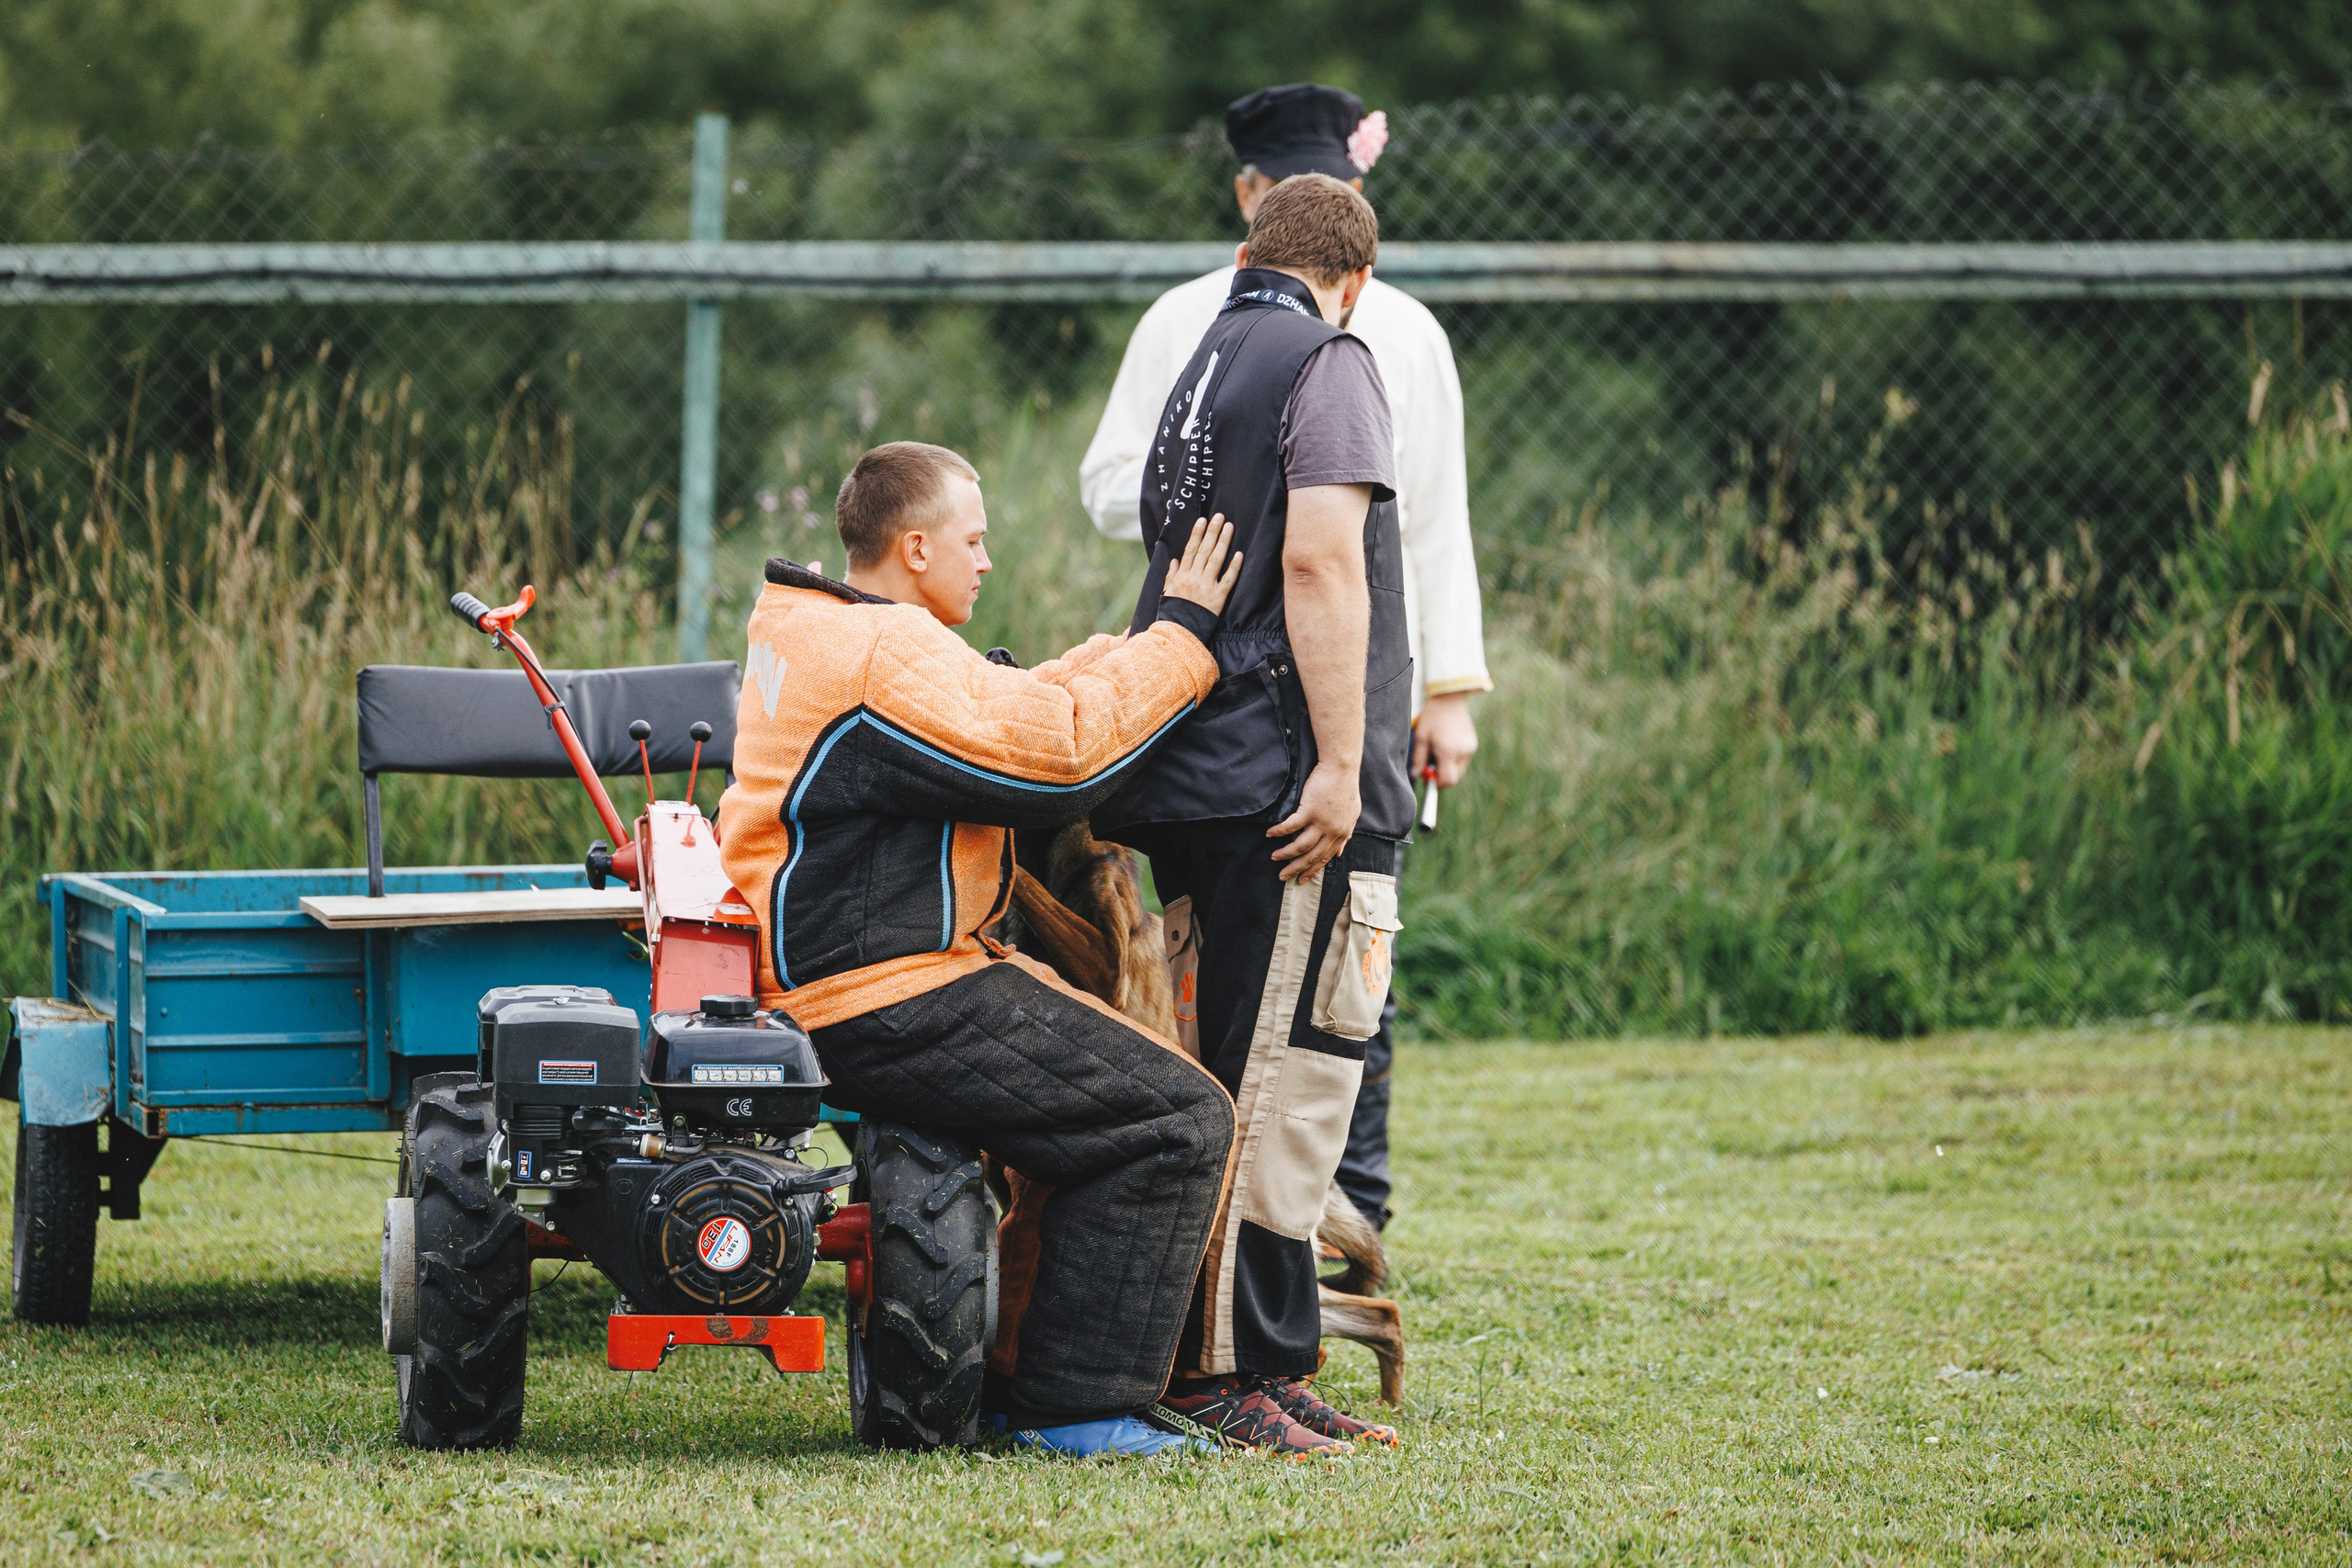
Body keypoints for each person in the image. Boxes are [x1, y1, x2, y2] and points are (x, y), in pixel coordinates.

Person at [718, 441, 1259, 1459]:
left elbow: (999, 707)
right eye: (973, 540)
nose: (987, 559)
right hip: (880, 994)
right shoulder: (881, 653)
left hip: (839, 980)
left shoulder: (826, 626)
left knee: (1111, 1109)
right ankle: (1074, 1410)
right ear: (915, 549)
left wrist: (1123, 652)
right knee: (1175, 1120)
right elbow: (1055, 761)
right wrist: (1185, 638)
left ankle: (1016, 1380)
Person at [1080, 83, 1490, 1232]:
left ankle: (1353, 1207)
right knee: (1249, 965)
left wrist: (1444, 689)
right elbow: (1122, 483)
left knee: (1358, 954)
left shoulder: (1408, 332)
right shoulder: (1183, 319)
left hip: (1369, 667)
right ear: (1246, 196)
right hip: (1237, 671)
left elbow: (1433, 521)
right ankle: (1237, 1225)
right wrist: (1240, 495)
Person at [1092, 174, 1409, 1455]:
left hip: (1195, 765)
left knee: (1229, 1072)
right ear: (1357, 281)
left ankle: (1269, 1358)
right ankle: (1225, 1372)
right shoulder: (1330, 358)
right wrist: (1339, 765)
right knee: (1284, 1083)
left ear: (1244, 256)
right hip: (1279, 780)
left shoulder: (1205, 359)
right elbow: (1321, 560)